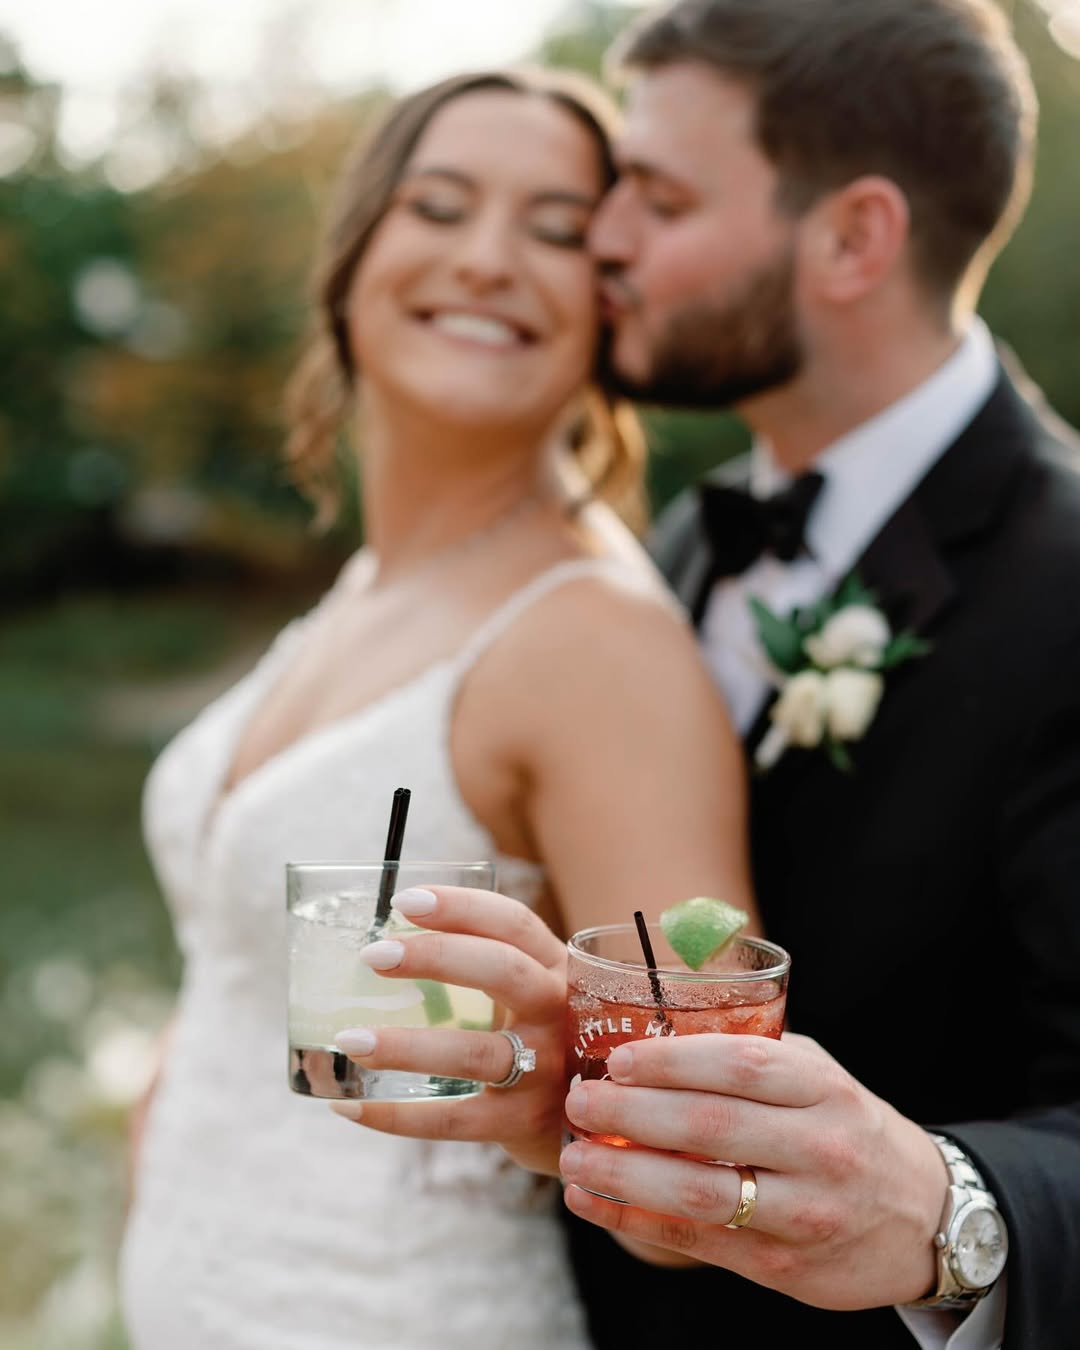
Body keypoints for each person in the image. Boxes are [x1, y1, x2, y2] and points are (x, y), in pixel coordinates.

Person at [334, 3, 1080, 1348]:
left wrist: (946, 1205)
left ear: (853, 237)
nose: (602, 240)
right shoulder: (676, 546)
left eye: (658, 200)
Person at [117, 63, 760, 1350]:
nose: (486, 260)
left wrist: (542, 1092)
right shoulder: (367, 586)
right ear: (353, 258)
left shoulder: (596, 641)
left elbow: (705, 1156)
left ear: (610, 300)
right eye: (441, 205)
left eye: (557, 230)